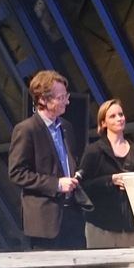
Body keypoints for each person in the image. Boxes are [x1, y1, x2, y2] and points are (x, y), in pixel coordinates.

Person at [8, 70, 85, 250]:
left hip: (72, 215)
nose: (67, 101)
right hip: (44, 221)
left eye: (66, 96)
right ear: (42, 99)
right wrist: (56, 184)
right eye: (61, 97)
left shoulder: (67, 127)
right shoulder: (26, 129)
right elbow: (17, 173)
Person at [77, 99, 134, 248]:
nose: (119, 118)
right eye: (113, 116)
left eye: (121, 114)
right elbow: (83, 186)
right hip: (102, 227)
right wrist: (110, 180)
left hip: (132, 227)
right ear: (103, 123)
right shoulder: (94, 151)